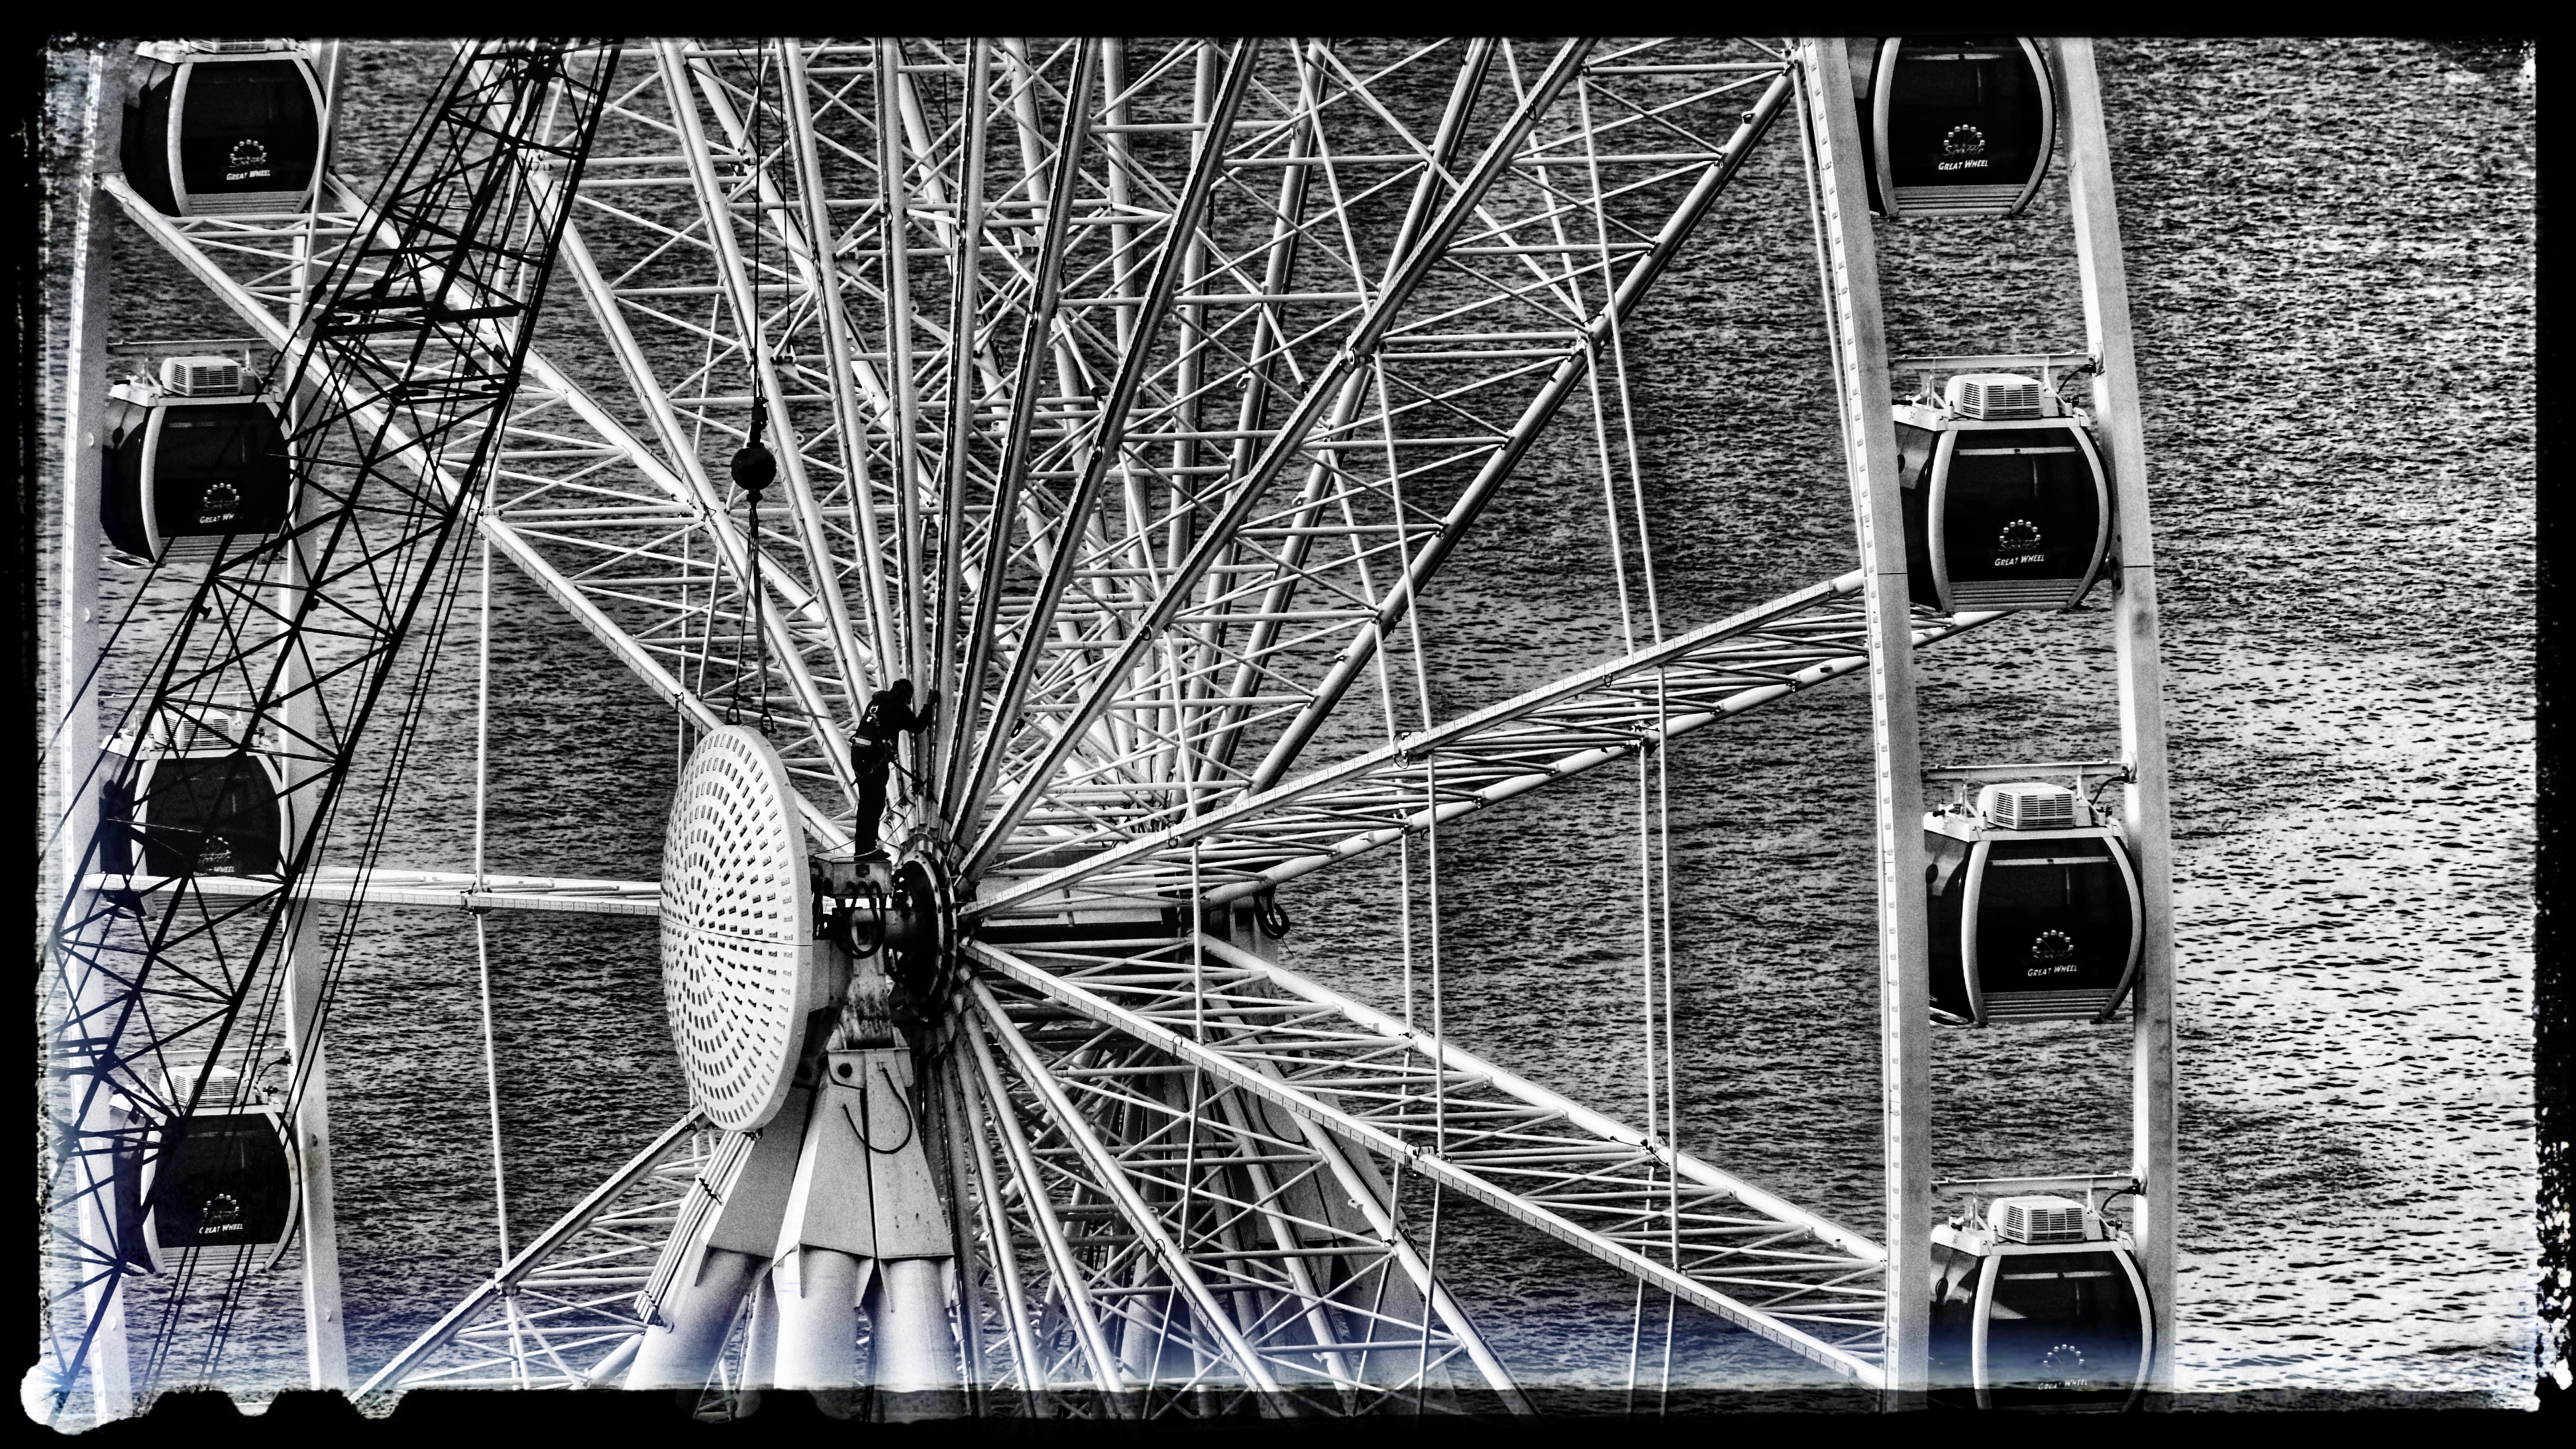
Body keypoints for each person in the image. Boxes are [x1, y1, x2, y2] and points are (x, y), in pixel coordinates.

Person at [851, 678, 934, 857]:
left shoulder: (875, 703)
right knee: (875, 804)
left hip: (859, 757)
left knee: (867, 804)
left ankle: (862, 849)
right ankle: (867, 850)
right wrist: (929, 705)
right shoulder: (898, 705)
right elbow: (918, 726)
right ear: (905, 697)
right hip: (874, 761)